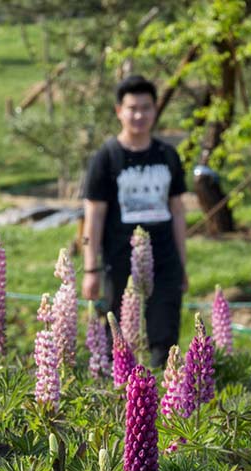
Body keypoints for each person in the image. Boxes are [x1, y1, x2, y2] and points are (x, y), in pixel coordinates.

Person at [81, 75, 188, 367]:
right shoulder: (106, 158)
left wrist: (182, 263)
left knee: (164, 338)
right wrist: (91, 268)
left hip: (165, 260)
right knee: (118, 338)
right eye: (132, 108)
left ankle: (163, 401)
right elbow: (94, 216)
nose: (139, 115)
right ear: (119, 111)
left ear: (155, 110)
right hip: (119, 263)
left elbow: (178, 211)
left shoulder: (168, 155)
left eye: (146, 107)